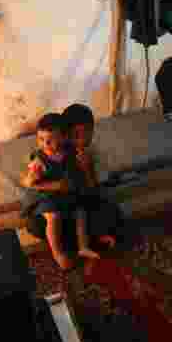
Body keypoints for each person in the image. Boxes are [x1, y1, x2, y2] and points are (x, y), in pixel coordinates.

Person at [20, 113, 97, 270]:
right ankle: (58, 254)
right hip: (46, 198)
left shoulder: (69, 152)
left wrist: (84, 165)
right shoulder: (39, 158)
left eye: (50, 140)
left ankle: (83, 246)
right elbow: (28, 181)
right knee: (53, 217)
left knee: (80, 212)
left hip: (65, 195)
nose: (45, 144)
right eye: (41, 139)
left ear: (63, 138)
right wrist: (33, 175)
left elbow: (79, 176)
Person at [61, 103, 122, 250]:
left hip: (85, 203)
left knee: (112, 212)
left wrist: (87, 169)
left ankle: (83, 239)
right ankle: (85, 239)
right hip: (64, 208)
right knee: (38, 223)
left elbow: (94, 194)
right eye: (76, 136)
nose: (82, 140)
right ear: (65, 135)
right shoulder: (57, 151)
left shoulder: (92, 153)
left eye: (88, 133)